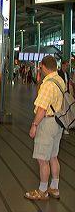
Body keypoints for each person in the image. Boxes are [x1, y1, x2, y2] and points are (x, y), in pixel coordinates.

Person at [25, 55, 65, 201]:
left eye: (40, 67)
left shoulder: (48, 84)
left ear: (43, 66)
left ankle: (42, 191)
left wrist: (34, 125)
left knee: (42, 160)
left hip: (47, 123)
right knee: (53, 156)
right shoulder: (60, 80)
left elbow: (41, 108)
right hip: (58, 123)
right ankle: (54, 187)